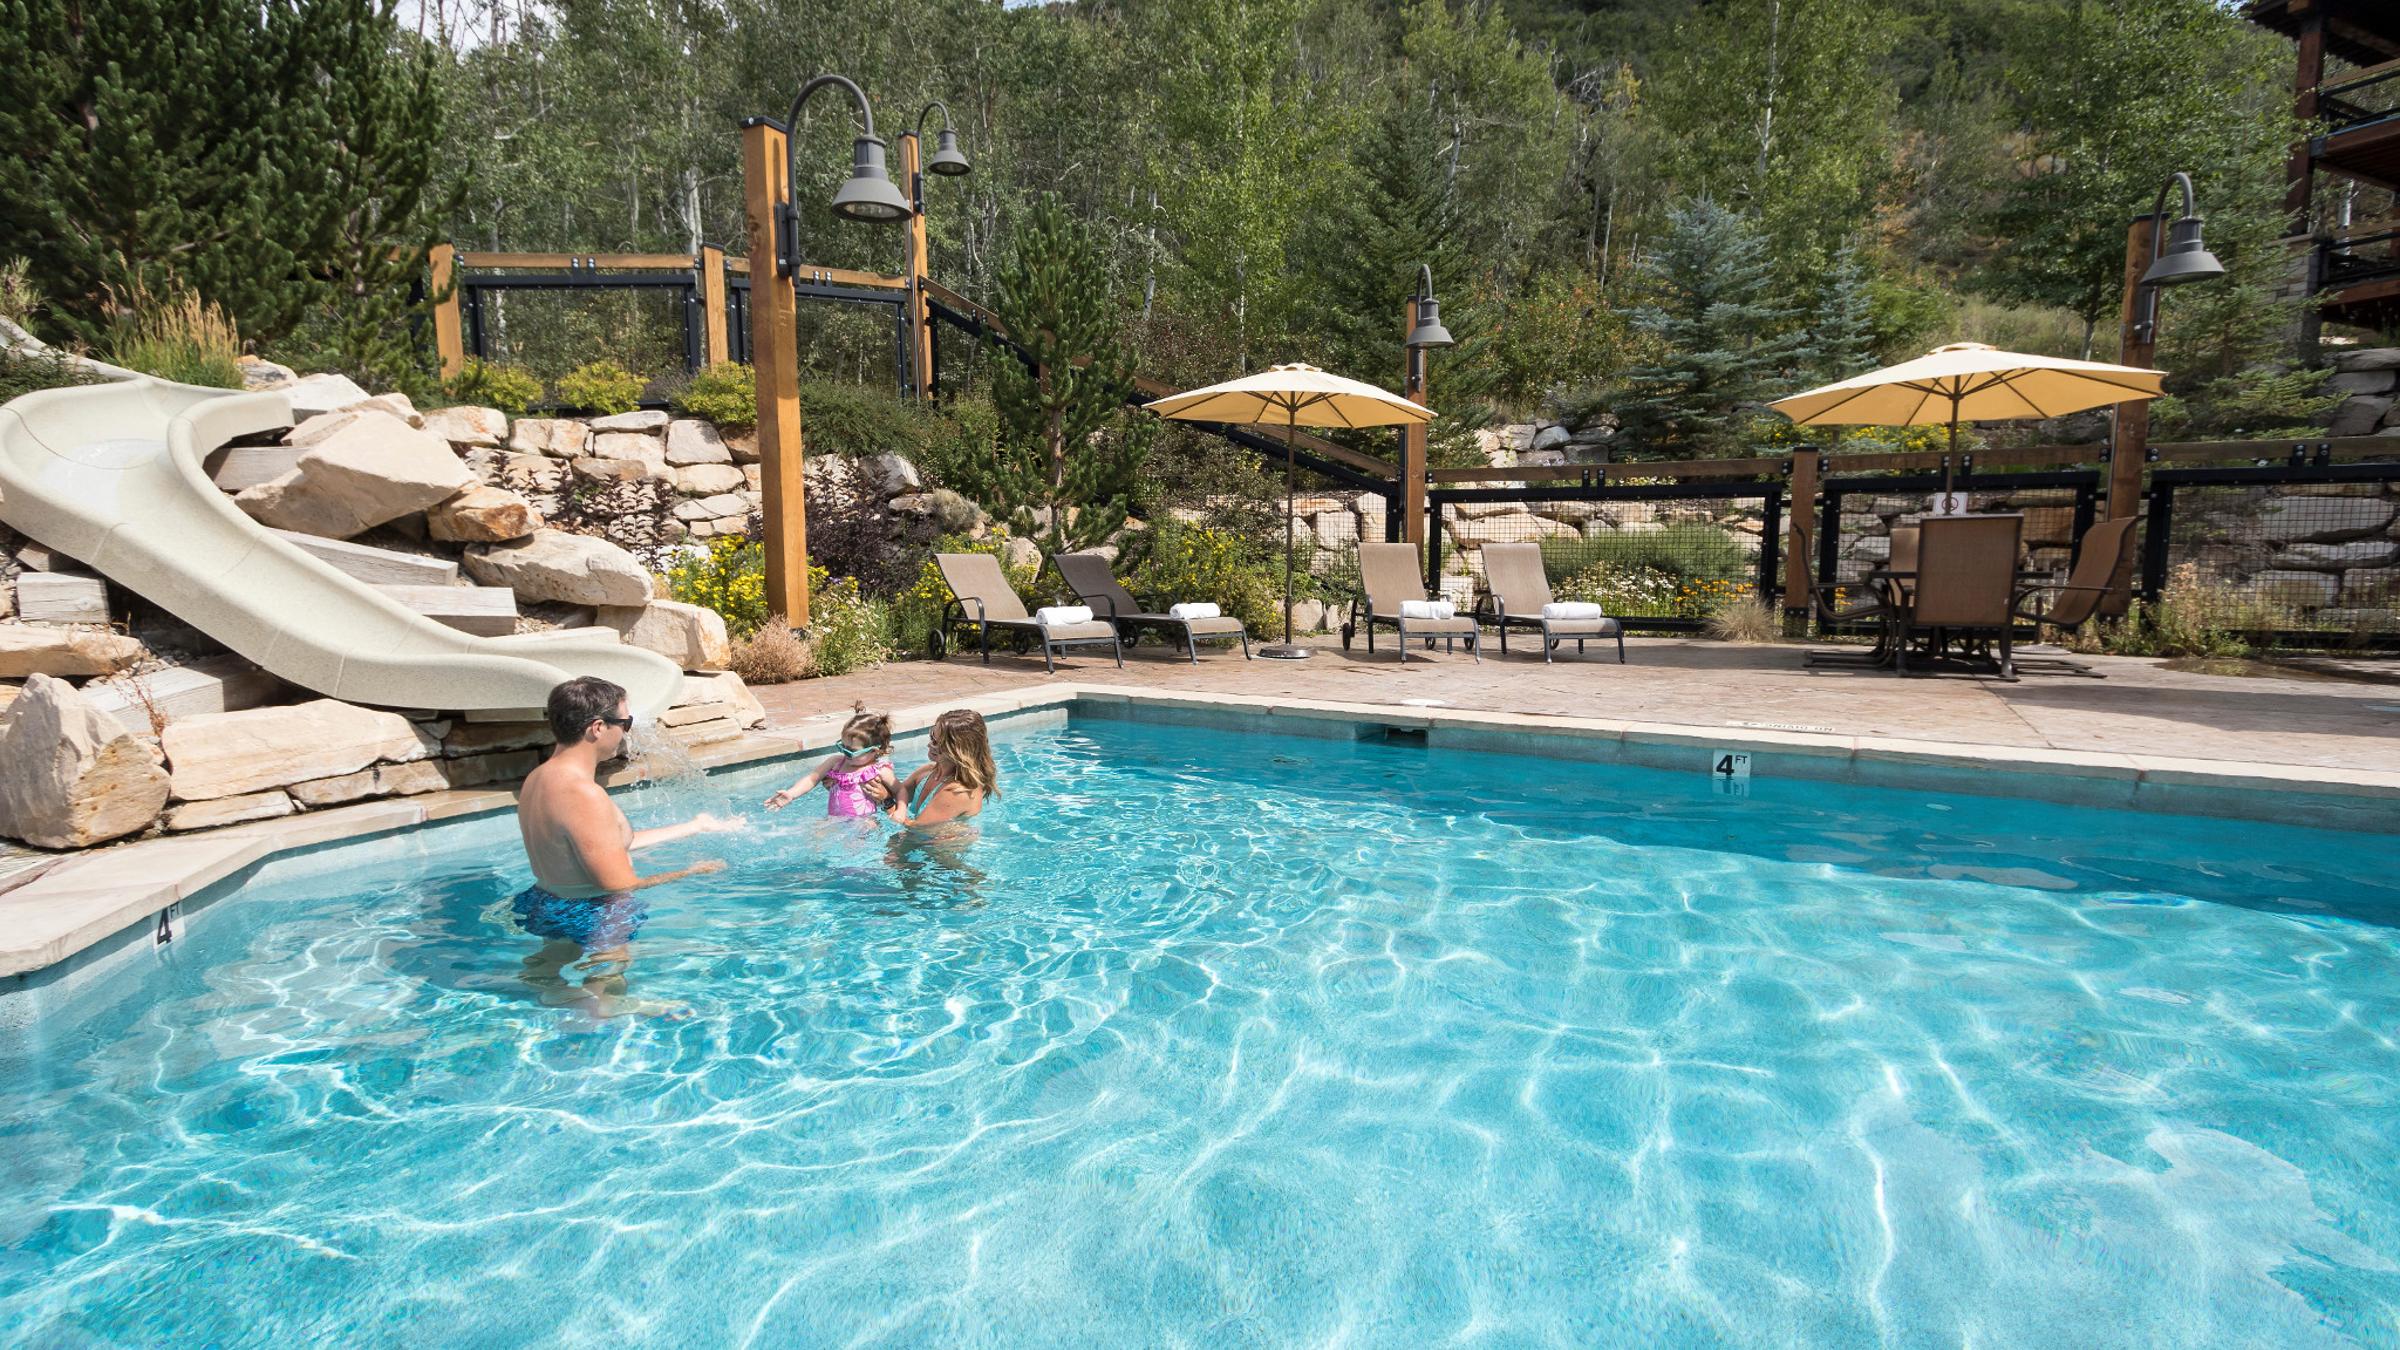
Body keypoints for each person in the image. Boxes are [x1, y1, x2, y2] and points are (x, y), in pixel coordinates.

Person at [513, 676, 741, 1018]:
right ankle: (606, 1011)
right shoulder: (583, 794)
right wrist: (691, 872)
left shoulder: (539, 778)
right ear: (597, 728)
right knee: (605, 997)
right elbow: (618, 886)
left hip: (548, 902)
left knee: (547, 973)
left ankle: (558, 997)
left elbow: (610, 844)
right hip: (593, 913)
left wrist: (694, 826)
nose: (628, 732)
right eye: (626, 723)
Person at [867, 708, 997, 830]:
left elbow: (917, 830)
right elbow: (898, 793)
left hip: (937, 852)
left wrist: (887, 803)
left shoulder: (958, 792)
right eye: (931, 737)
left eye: (937, 743)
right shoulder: (927, 772)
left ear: (959, 752)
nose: (929, 744)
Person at [762, 702, 898, 818]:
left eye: (852, 751)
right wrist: (791, 794)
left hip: (863, 822)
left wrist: (900, 811)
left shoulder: (879, 771)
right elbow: (812, 779)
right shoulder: (836, 762)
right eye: (843, 746)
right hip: (834, 820)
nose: (845, 752)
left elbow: (901, 791)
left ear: (873, 751)